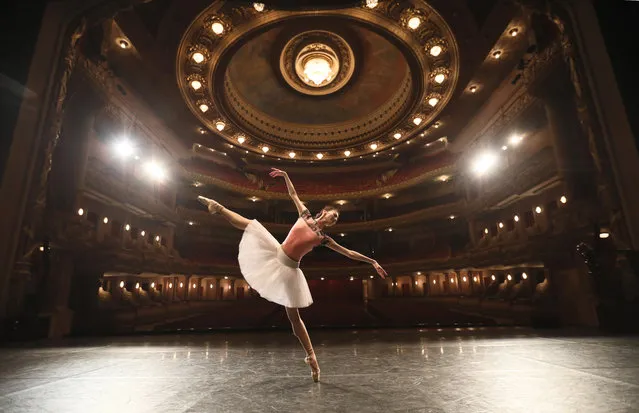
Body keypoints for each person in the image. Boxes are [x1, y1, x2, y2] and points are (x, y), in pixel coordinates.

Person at [197, 168, 388, 382]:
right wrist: (286, 176)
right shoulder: (305, 214)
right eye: (333, 215)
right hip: (275, 253)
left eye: (336, 220)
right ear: (323, 212)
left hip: (289, 270)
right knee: (252, 225)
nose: (334, 220)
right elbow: (293, 195)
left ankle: (312, 358)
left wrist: (372, 261)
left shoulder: (323, 238)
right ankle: (219, 207)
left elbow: (348, 252)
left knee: (294, 318)